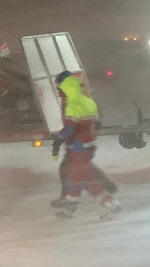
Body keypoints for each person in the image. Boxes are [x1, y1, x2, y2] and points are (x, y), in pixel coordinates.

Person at [51, 70, 121, 219]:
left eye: (59, 89)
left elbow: (70, 128)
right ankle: (70, 209)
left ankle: (111, 204)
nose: (59, 93)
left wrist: (58, 140)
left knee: (83, 178)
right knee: (76, 177)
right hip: (87, 146)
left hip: (78, 147)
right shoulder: (87, 101)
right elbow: (94, 124)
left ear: (65, 87)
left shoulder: (73, 104)